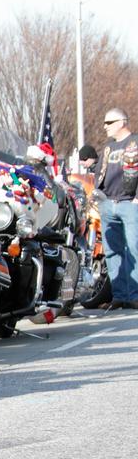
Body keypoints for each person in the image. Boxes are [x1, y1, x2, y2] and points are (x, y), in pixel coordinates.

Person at [95, 108, 138, 309]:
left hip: (129, 203)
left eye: (109, 122)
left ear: (122, 122)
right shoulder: (108, 148)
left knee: (134, 249)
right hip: (108, 204)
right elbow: (99, 174)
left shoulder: (135, 143)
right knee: (112, 252)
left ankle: (135, 295)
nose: (105, 126)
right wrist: (98, 196)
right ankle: (120, 295)